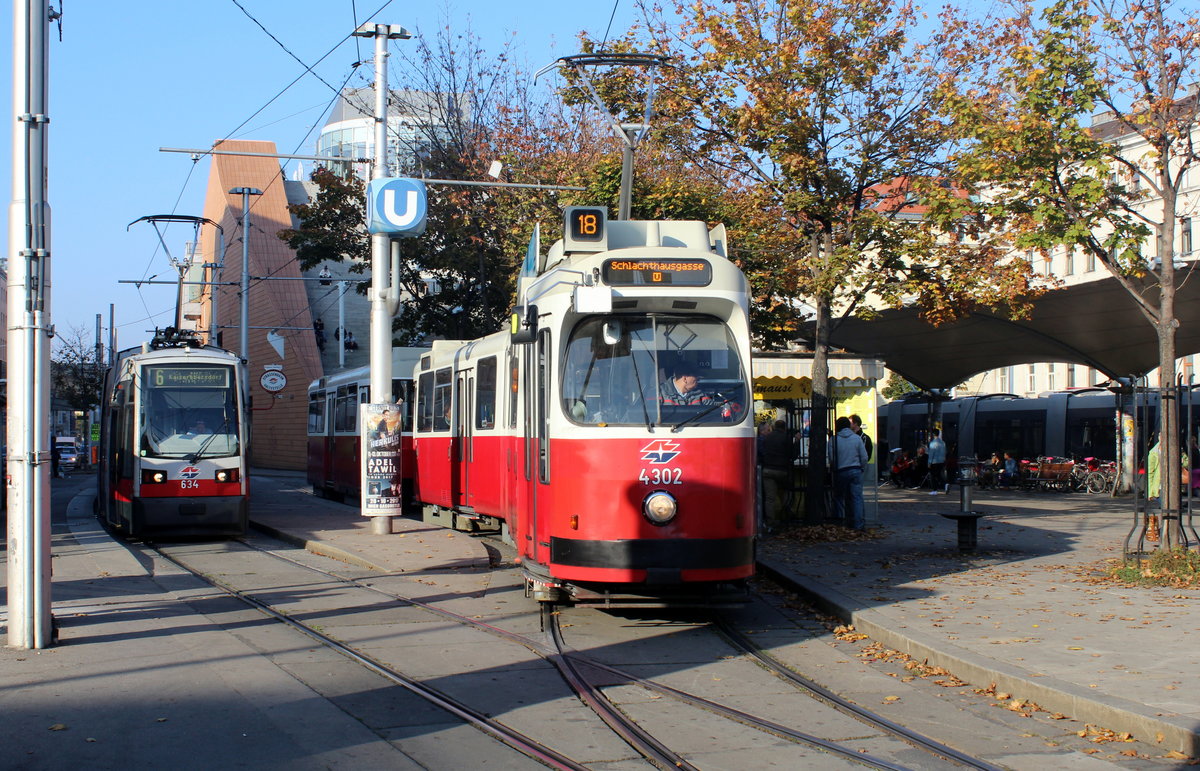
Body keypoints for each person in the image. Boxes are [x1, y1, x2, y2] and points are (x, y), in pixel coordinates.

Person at [828, 416, 868, 529]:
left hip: (840, 471)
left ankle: (840, 523)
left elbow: (832, 459)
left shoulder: (833, 440)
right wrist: (861, 468)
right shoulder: (856, 438)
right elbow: (864, 457)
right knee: (857, 498)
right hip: (855, 470)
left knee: (839, 498)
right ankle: (858, 525)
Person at [759, 420, 796, 532]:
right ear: (784, 428)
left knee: (770, 499)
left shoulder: (767, 438)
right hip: (782, 470)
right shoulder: (786, 437)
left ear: (774, 427)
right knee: (785, 494)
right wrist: (797, 442)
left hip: (768, 470)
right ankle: (787, 517)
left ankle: (770, 523)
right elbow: (792, 455)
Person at [927, 429, 947, 494]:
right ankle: (945, 485)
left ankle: (934, 490)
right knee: (939, 475)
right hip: (941, 461)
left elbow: (931, 454)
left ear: (933, 434)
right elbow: (944, 452)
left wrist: (929, 463)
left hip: (934, 462)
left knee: (933, 476)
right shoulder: (943, 443)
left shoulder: (932, 443)